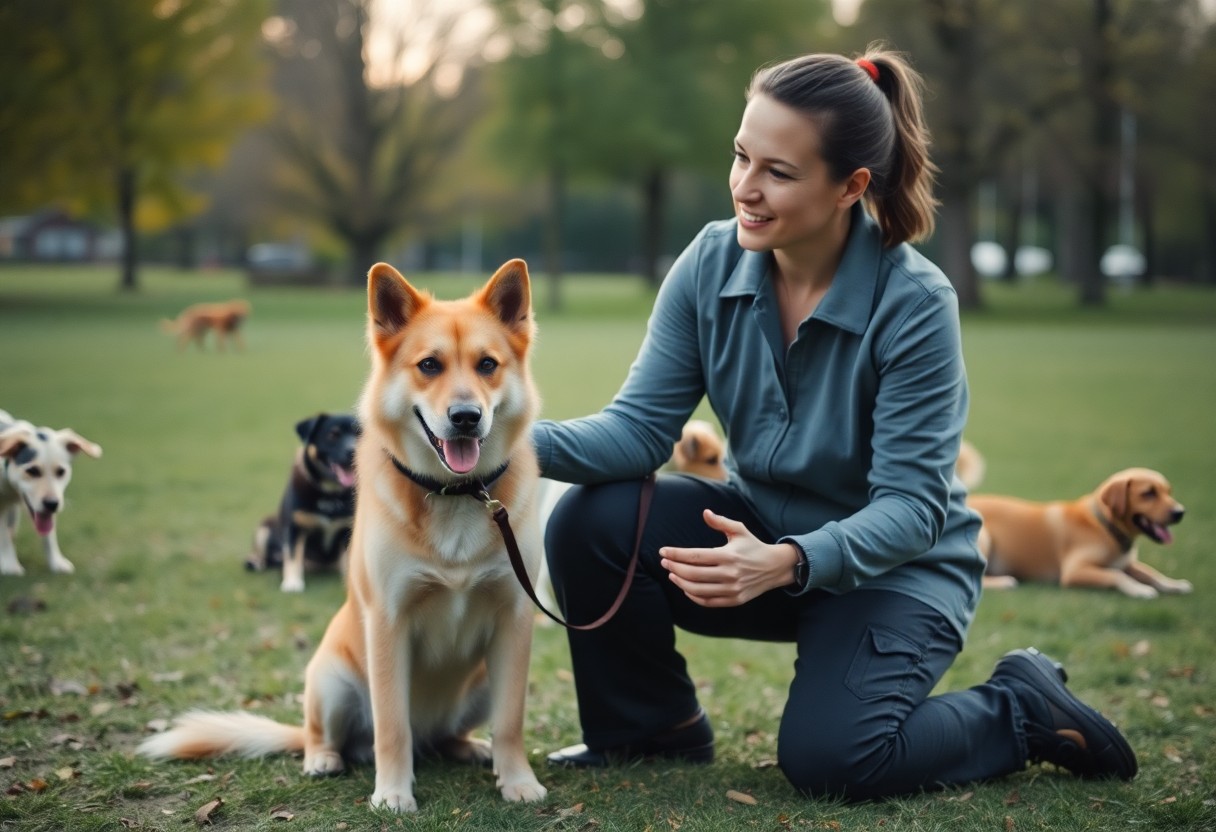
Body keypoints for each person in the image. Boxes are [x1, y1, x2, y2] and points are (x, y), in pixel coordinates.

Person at [531, 47, 1137, 800]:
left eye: (777, 173)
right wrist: (507, 445)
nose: (745, 189)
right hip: (760, 538)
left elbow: (914, 509)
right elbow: (639, 431)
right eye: (740, 157)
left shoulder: (915, 303)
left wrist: (784, 560)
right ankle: (648, 727)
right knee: (593, 519)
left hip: (898, 574)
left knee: (835, 761)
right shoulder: (708, 262)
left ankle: (1018, 708)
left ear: (851, 186)